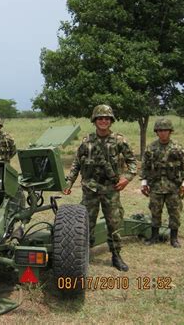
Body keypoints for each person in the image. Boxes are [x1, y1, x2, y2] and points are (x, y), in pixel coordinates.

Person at [63, 104, 137, 272]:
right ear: (94, 120)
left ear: (111, 121)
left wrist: (127, 178)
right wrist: (69, 183)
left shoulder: (119, 140)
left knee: (114, 223)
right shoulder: (86, 141)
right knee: (85, 223)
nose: (103, 121)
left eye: (107, 118)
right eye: (100, 118)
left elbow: (132, 162)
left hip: (111, 189)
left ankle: (116, 256)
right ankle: (83, 254)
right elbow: (76, 163)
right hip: (90, 189)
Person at [141, 118, 184, 248]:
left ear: (170, 131)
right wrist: (144, 183)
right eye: (160, 130)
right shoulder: (151, 148)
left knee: (175, 212)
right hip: (156, 186)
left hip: (173, 186)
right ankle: (154, 237)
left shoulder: (177, 148)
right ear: (156, 132)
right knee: (155, 211)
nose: (163, 133)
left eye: (165, 130)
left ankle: (174, 238)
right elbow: (145, 167)